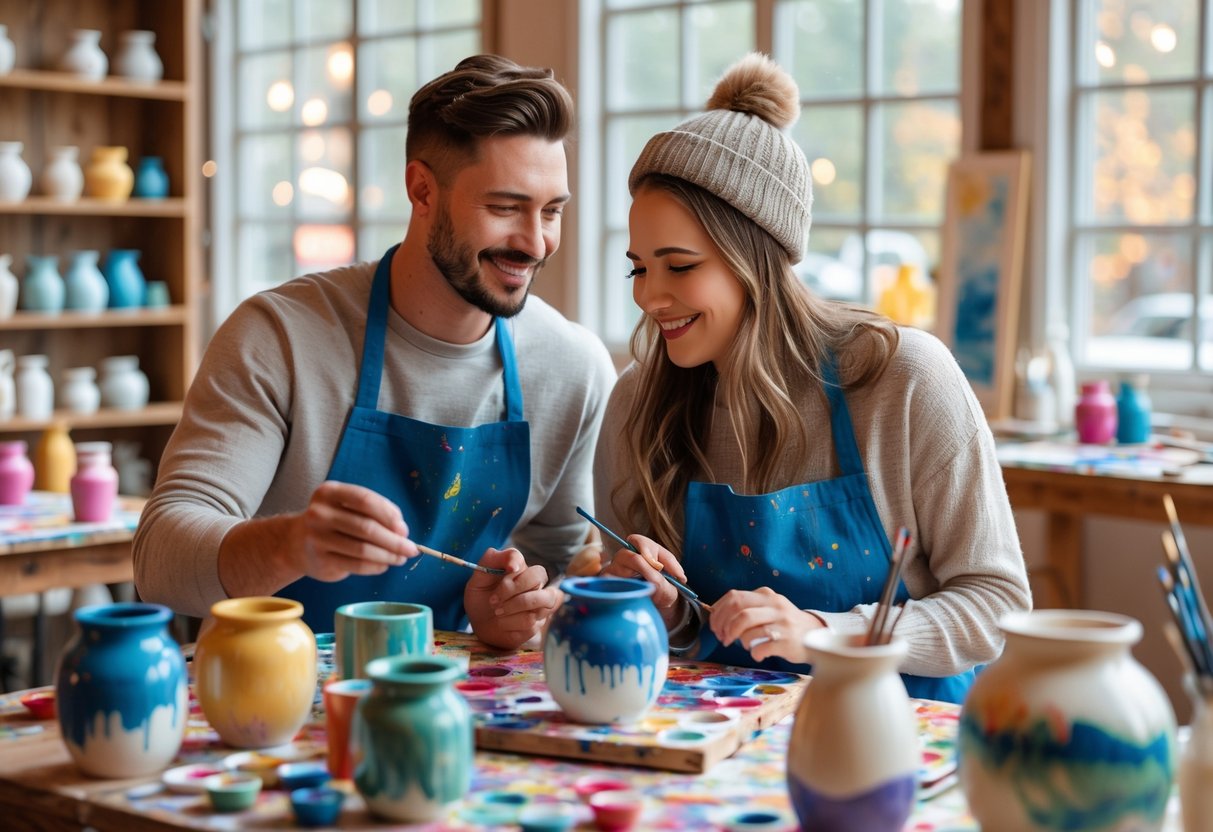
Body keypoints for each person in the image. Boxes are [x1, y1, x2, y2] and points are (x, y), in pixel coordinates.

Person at [134, 54, 617, 649]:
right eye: (504, 207)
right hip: (269, 706)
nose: (536, 242)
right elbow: (159, 561)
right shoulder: (279, 336)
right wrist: (292, 544)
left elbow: (552, 564)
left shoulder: (574, 367)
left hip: (449, 704)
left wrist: (515, 610)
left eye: (552, 211)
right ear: (421, 190)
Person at [592, 52, 1031, 704]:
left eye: (678, 266)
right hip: (721, 748)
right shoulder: (638, 402)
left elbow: (995, 604)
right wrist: (667, 610)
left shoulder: (900, 380)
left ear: (755, 259)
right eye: (637, 269)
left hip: (903, 741)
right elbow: (679, 641)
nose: (649, 297)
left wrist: (824, 633)